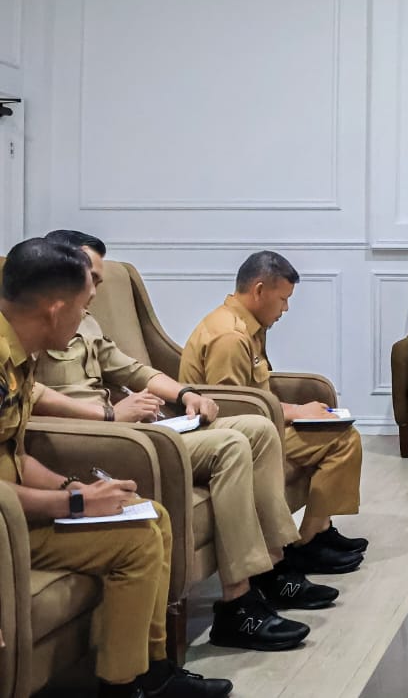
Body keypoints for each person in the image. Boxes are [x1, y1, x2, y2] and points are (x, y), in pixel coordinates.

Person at [33, 231, 350, 652]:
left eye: (96, 279)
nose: (96, 289)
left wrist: (184, 394)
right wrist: (110, 414)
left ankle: (274, 565)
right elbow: (32, 398)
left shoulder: (85, 319)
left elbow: (132, 369)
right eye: (89, 278)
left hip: (130, 429)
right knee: (231, 446)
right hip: (98, 440)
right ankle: (237, 605)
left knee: (256, 429)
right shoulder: (37, 323)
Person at [0, 237, 231, 697]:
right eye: (84, 305)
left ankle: (152, 671)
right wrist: (77, 502)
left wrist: (73, 486)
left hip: (19, 508)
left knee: (150, 514)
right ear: (54, 309)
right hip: (6, 526)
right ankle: (123, 686)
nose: (88, 316)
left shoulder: (20, 355)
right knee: (137, 538)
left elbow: (13, 454)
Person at [179, 250, 366, 571]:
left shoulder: (248, 326)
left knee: (338, 431)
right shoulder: (230, 336)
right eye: (282, 299)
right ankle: (306, 543)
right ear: (259, 290)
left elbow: (255, 394)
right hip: (233, 436)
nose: (286, 308)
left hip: (260, 424)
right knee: (341, 440)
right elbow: (233, 407)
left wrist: (297, 411)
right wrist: (295, 411)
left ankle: (319, 531)